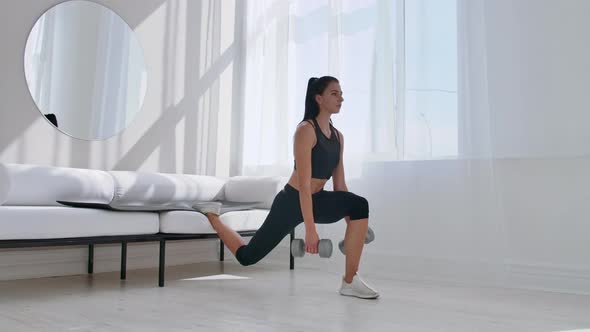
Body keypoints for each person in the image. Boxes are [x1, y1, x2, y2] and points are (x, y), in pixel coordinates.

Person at [195, 76, 379, 299]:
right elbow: (303, 185)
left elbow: (340, 186)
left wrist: (353, 223)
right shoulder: (305, 131)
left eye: (340, 93)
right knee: (247, 257)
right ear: (319, 98)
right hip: (292, 202)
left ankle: (349, 282)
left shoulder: (338, 137)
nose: (341, 98)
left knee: (359, 205)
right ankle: (213, 215)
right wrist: (311, 231)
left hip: (317, 199)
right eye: (334, 93)